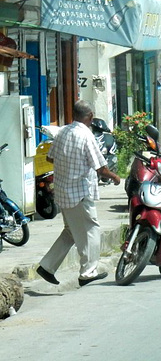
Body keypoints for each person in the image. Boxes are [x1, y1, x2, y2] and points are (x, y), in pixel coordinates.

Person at [36, 100, 121, 286]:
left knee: (71, 231)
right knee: (91, 230)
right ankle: (88, 272)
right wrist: (115, 177)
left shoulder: (63, 132)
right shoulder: (86, 135)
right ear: (90, 116)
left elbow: (51, 157)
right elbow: (100, 167)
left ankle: (47, 266)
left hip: (62, 191)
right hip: (79, 192)